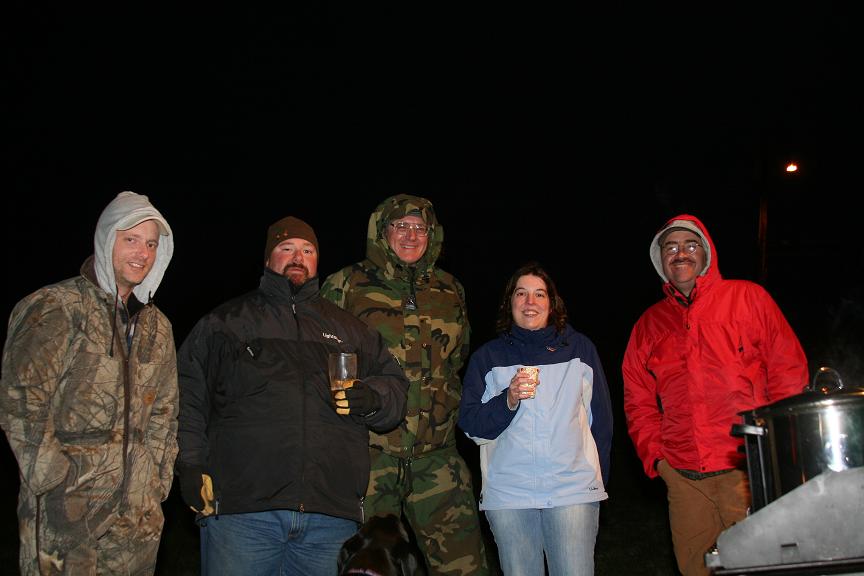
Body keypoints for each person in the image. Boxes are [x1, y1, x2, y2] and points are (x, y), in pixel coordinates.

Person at [176, 215, 409, 576]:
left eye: (307, 250)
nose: (297, 256)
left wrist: (374, 398)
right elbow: (188, 393)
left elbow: (395, 384)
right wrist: (190, 465)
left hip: (330, 516)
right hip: (243, 513)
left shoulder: (349, 328)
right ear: (269, 258)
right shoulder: (225, 323)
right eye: (286, 249)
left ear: (317, 261)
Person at [0, 191, 177, 575]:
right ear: (105, 238)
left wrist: (158, 480)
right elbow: (21, 402)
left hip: (137, 520)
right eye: (130, 239)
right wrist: (53, 484)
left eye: (151, 244)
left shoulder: (158, 327)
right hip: (67, 515)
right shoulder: (55, 307)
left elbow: (165, 410)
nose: (142, 253)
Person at [622, 214, 809, 576]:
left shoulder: (748, 299)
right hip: (684, 478)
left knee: (760, 567)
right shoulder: (649, 325)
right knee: (696, 569)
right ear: (660, 259)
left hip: (746, 472)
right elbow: (638, 400)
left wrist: (777, 450)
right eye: (670, 247)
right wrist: (658, 459)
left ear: (707, 253)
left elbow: (788, 373)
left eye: (690, 245)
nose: (680, 253)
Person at [321, 194, 489, 576]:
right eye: (401, 226)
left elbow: (457, 358)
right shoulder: (346, 284)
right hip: (370, 455)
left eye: (420, 228)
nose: (411, 236)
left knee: (466, 566)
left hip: (437, 455)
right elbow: (321, 362)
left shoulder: (451, 290)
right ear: (382, 232)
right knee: (368, 568)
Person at [458, 262, 613, 576]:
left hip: (572, 492)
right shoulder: (487, 358)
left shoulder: (580, 350)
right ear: (510, 303)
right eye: (521, 293)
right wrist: (508, 399)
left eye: (539, 294)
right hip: (509, 496)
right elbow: (471, 426)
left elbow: (602, 423)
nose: (530, 302)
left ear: (552, 304)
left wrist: (596, 482)